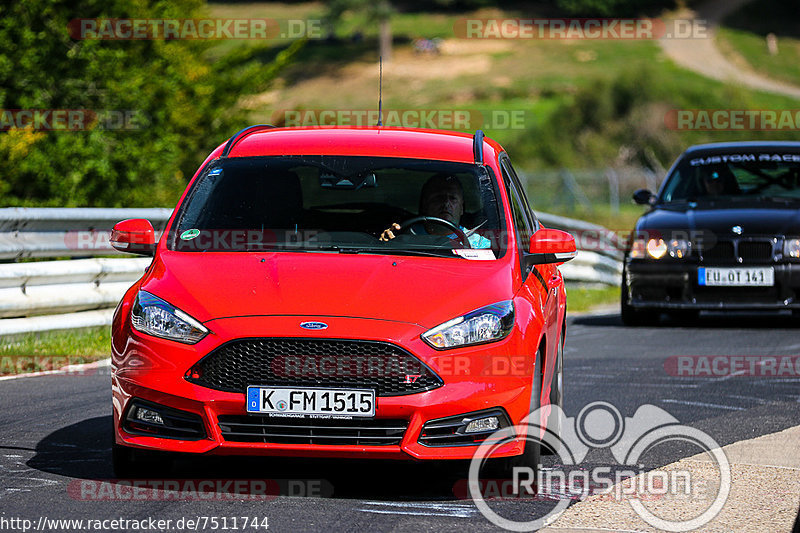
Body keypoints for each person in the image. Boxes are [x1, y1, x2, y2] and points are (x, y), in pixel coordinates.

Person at [381, 173, 491, 248]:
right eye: (438, 197)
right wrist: (385, 243)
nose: (446, 203)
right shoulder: (405, 235)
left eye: (452, 198)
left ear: (462, 208)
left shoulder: (479, 245)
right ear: (424, 205)